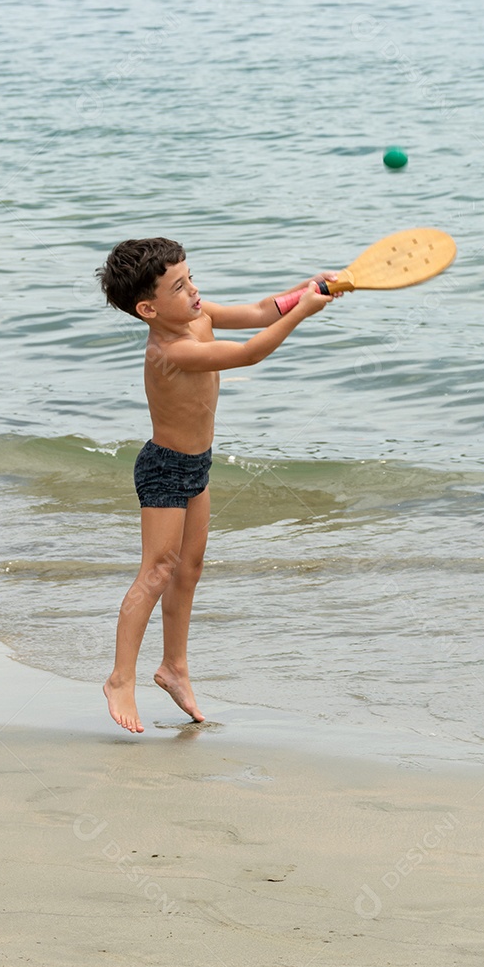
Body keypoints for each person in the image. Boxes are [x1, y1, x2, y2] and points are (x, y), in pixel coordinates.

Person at [96, 237, 340, 733]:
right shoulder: (172, 349)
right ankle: (121, 678)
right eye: (180, 286)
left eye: (191, 278)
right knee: (157, 570)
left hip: (196, 465)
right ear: (147, 308)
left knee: (189, 568)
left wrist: (309, 288)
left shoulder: (199, 316)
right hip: (164, 467)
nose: (195, 291)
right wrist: (304, 314)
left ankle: (174, 668)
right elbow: (251, 353)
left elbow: (258, 311)